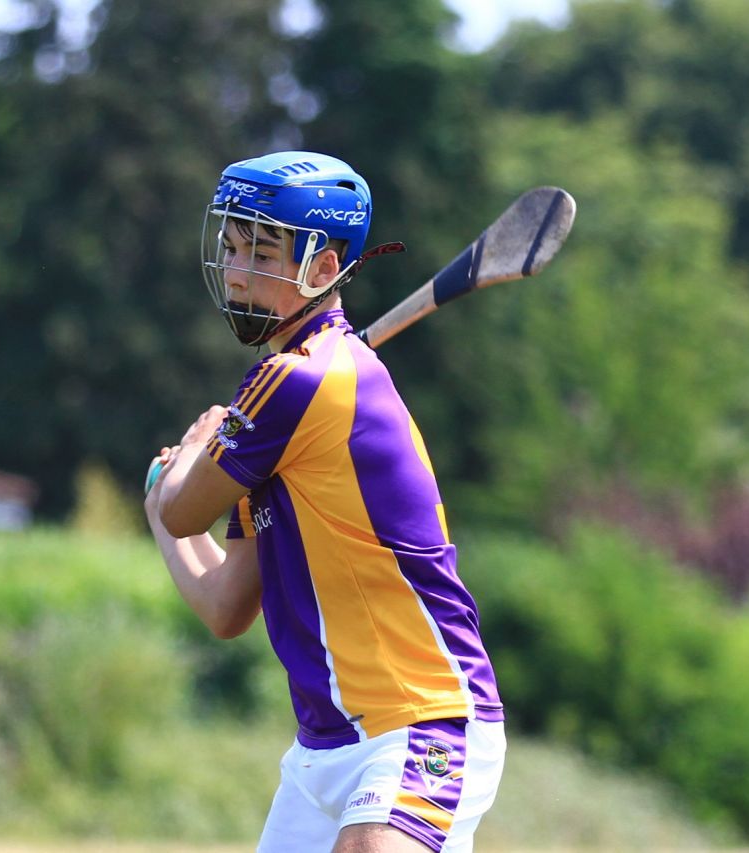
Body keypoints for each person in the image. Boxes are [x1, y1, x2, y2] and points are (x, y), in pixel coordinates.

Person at [143, 151, 505, 853]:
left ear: (323, 265)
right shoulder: (280, 408)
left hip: (422, 718)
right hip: (323, 750)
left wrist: (186, 469)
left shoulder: (297, 383)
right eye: (232, 243)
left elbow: (189, 510)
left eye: (262, 249)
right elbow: (224, 604)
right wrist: (162, 496)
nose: (238, 267)